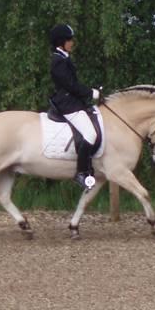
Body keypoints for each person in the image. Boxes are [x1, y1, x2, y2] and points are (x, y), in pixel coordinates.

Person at [47, 24, 102, 191]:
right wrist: (91, 93)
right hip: (67, 103)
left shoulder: (64, 58)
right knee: (90, 134)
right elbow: (70, 85)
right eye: (69, 40)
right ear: (61, 42)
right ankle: (81, 172)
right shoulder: (58, 61)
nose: (72, 42)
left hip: (73, 101)